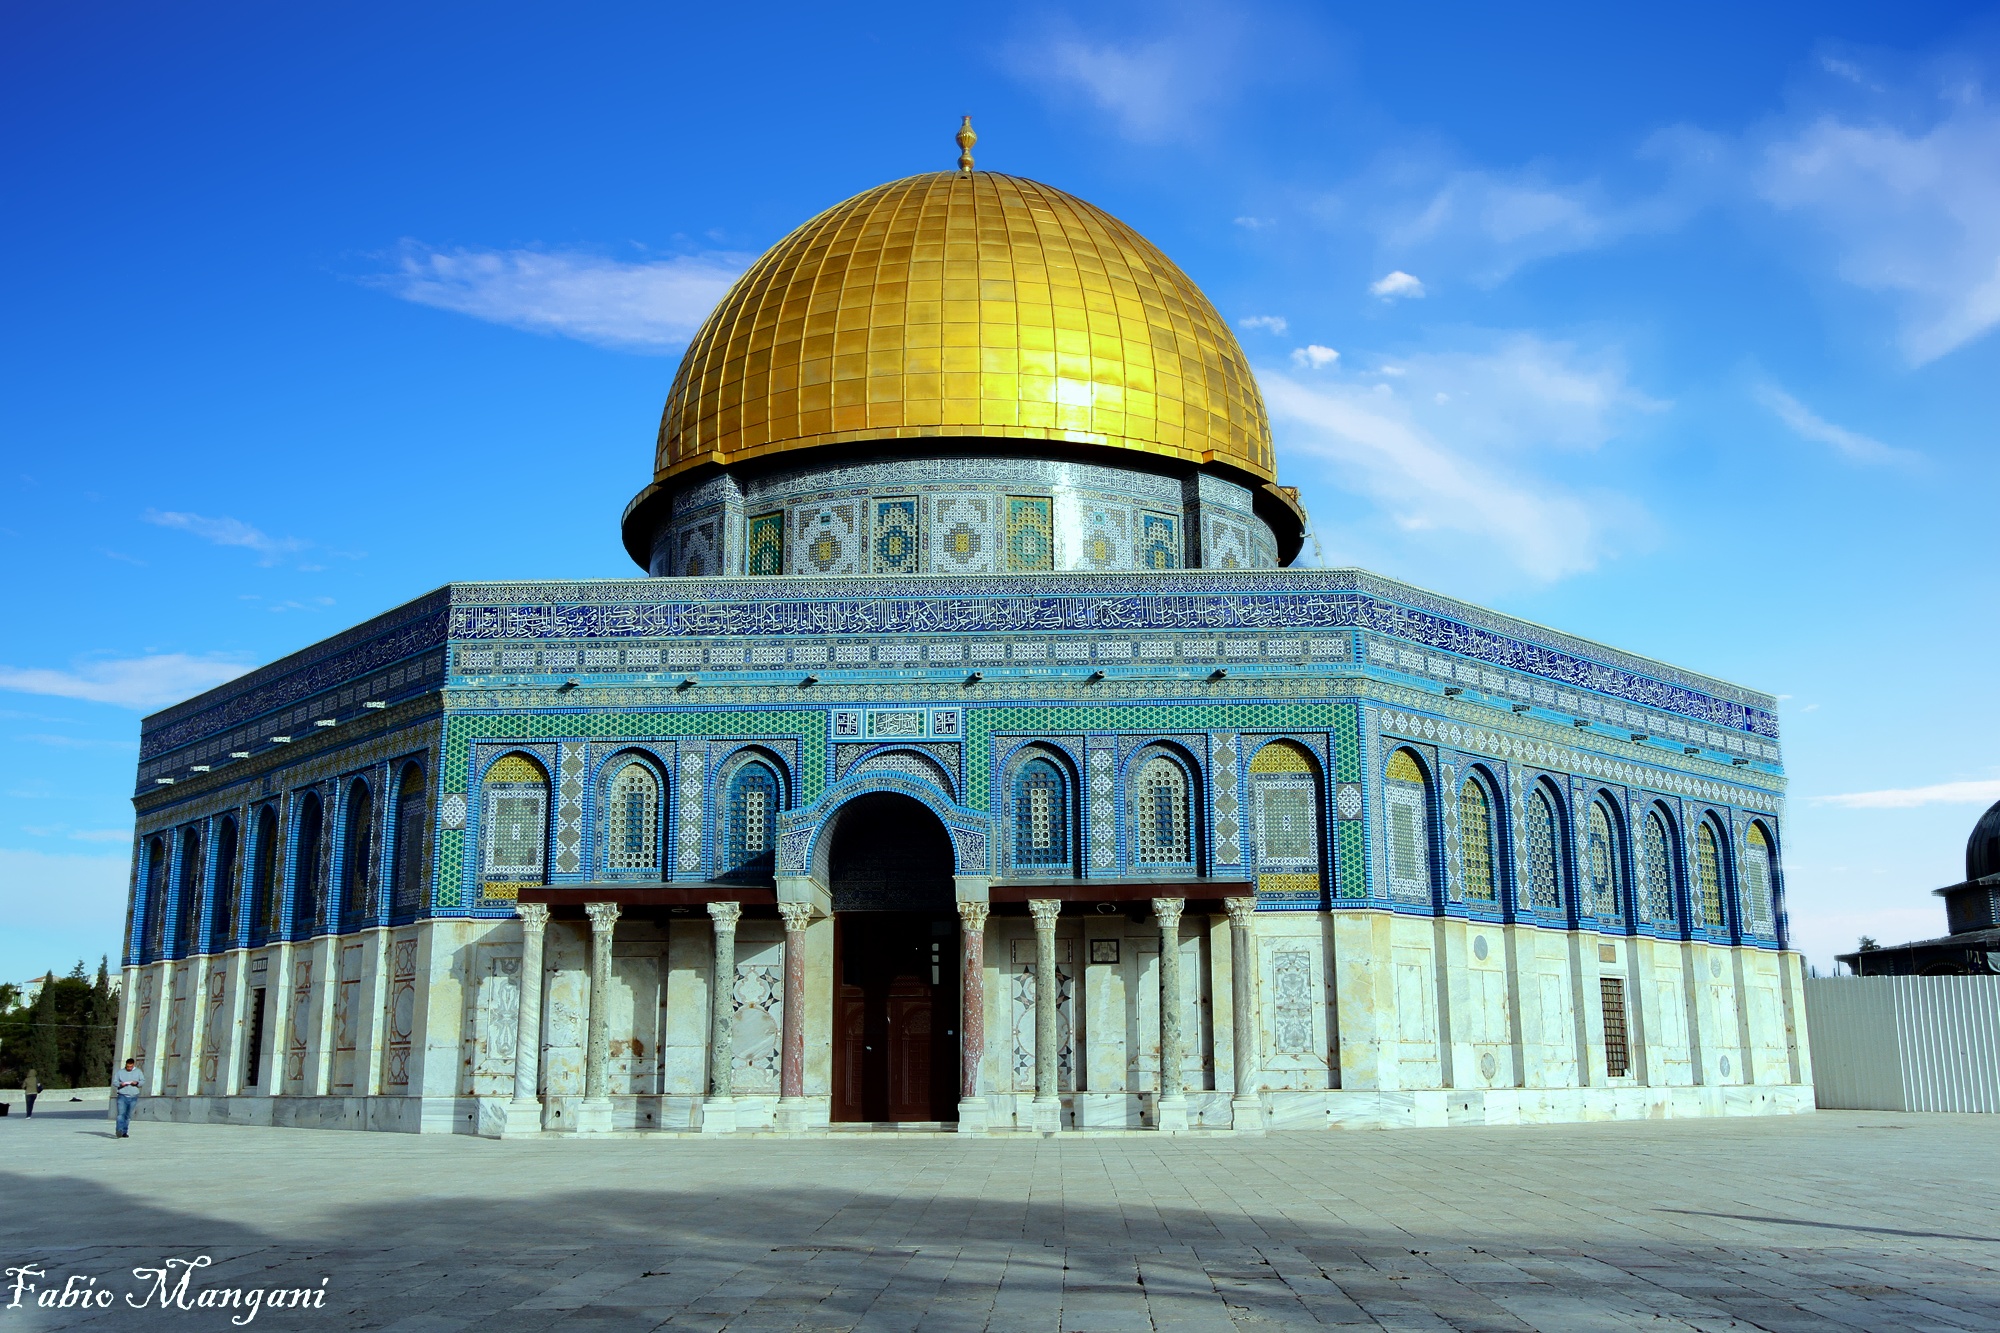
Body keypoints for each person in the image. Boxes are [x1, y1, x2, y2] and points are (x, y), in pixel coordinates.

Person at [113, 1059, 142, 1138]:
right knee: (121, 1114)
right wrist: (120, 1084)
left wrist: (137, 1083)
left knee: (128, 1115)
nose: (129, 1068)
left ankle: (124, 1132)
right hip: (122, 1096)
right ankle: (119, 1130)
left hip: (133, 1096)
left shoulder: (138, 1072)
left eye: (130, 1066)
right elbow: (115, 1082)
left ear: (133, 1065)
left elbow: (142, 1081)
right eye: (127, 1066)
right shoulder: (120, 1072)